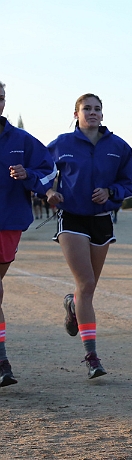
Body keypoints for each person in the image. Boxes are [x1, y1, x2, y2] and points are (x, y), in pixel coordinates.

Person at [46, 93, 132, 379]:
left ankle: (73, 305)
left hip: (101, 221)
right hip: (71, 217)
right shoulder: (61, 144)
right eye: (87, 109)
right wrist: (50, 192)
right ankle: (92, 357)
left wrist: (111, 192)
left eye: (97, 109)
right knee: (84, 282)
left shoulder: (119, 147)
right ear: (76, 114)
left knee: (88, 287)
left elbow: (127, 184)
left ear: (102, 114)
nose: (92, 113)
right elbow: (43, 173)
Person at [0, 80, 57, 387]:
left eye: (1, 98)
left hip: (8, 223)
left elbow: (48, 170)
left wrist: (29, 175)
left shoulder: (21, 139)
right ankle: (2, 362)